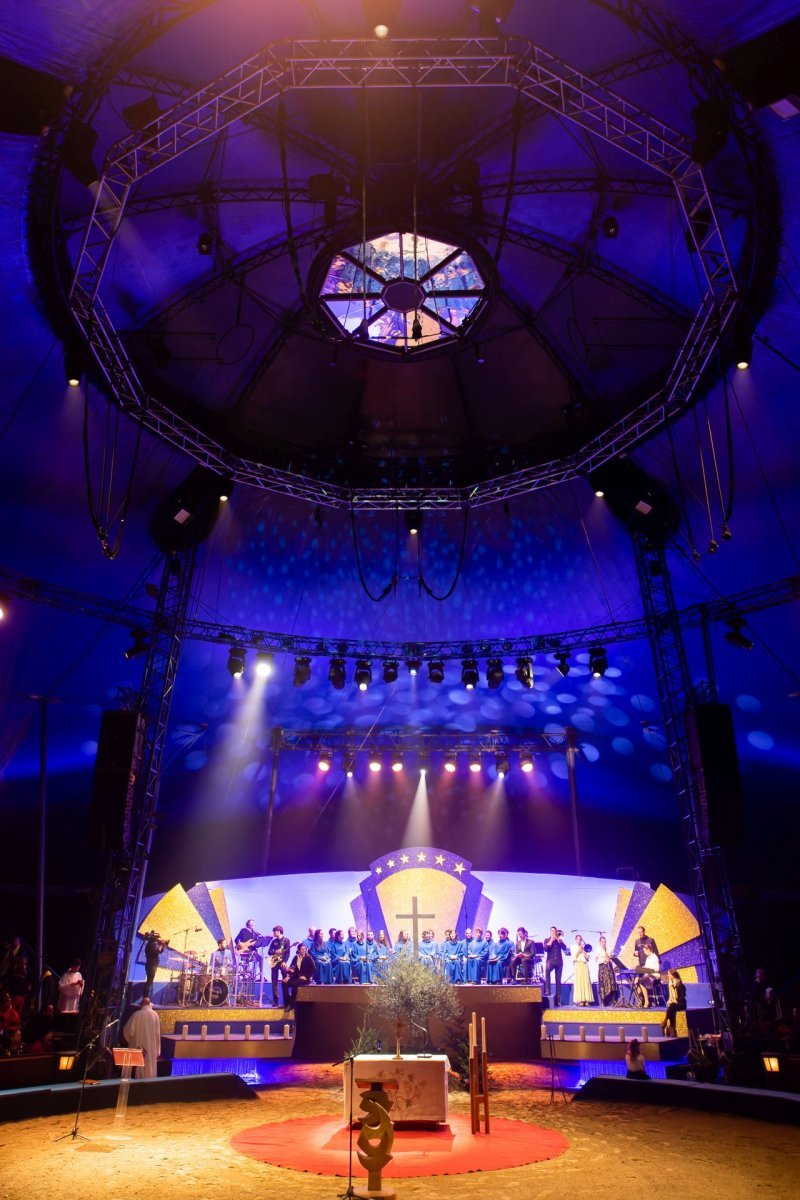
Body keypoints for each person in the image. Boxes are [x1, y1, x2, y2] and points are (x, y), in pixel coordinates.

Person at [123, 996, 161, 1079]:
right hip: (151, 1048)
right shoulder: (155, 1015)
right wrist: (157, 1050)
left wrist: (131, 1042)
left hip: (136, 1046)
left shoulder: (137, 1015)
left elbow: (127, 1031)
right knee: (149, 1069)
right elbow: (157, 1034)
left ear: (142, 1004)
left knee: (136, 1071)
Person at [280, 945, 315, 1010]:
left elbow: (313, 969)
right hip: (295, 977)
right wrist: (287, 976)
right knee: (284, 983)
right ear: (298, 950)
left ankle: (291, 1004)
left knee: (295, 984)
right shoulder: (295, 957)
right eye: (302, 949)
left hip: (305, 978)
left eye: (304, 949)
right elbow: (292, 968)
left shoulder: (308, 958)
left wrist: (306, 976)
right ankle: (287, 1003)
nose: (304, 950)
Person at [266, 925, 291, 1005]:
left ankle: (286, 1000)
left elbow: (287, 953)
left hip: (282, 963)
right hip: (274, 963)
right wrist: (274, 952)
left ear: (279, 931)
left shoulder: (286, 940)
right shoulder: (274, 941)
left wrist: (285, 961)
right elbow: (269, 952)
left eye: (274, 931)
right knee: (274, 982)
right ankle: (276, 1001)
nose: (273, 933)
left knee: (285, 981)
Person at [141, 930, 169, 999]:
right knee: (149, 982)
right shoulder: (151, 945)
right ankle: (145, 998)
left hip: (151, 965)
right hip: (151, 966)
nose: (158, 940)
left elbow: (160, 951)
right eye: (157, 938)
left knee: (149, 982)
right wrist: (162, 944)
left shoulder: (151, 944)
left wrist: (163, 945)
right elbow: (158, 951)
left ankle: (146, 998)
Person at [635, 941, 661, 1008]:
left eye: (645, 951)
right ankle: (640, 1001)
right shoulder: (648, 958)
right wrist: (644, 968)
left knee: (642, 983)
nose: (644, 952)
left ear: (649, 949)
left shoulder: (654, 957)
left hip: (654, 976)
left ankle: (646, 1002)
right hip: (648, 975)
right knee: (637, 983)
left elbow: (657, 969)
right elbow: (647, 968)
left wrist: (648, 969)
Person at [662, 969, 686, 1037]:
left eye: (669, 974)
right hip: (673, 1004)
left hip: (681, 1004)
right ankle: (673, 1031)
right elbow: (670, 996)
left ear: (673, 975)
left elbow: (682, 996)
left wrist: (676, 1001)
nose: (668, 975)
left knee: (672, 1006)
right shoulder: (670, 984)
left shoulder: (680, 985)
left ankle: (665, 1021)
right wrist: (671, 1001)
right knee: (671, 1010)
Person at [595, 936, 618, 1007]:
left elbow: (612, 957)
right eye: (602, 941)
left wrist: (610, 958)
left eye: (604, 941)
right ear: (600, 942)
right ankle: (602, 1001)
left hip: (609, 967)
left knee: (612, 983)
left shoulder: (609, 949)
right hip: (602, 968)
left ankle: (614, 1000)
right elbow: (596, 960)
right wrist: (603, 960)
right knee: (603, 984)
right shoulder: (598, 950)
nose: (604, 943)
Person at [571, 935, 593, 1005]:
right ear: (575, 940)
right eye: (577, 939)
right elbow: (574, 957)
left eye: (580, 939)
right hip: (578, 964)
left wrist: (583, 951)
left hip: (584, 964)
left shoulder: (584, 947)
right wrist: (579, 950)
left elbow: (587, 958)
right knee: (579, 982)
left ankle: (586, 1000)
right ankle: (581, 1000)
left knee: (586, 981)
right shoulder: (573, 947)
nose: (579, 941)